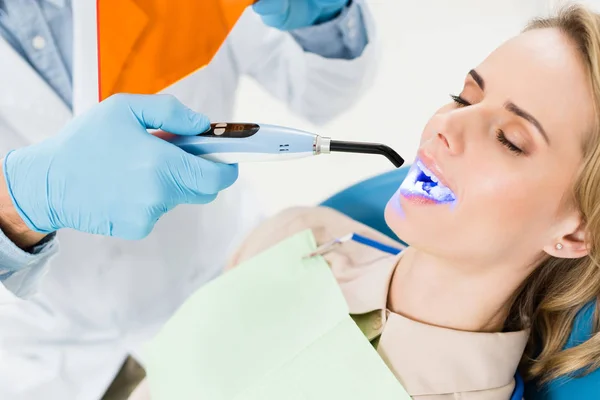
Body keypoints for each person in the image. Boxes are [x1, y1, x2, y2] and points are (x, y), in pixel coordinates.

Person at [129, 3, 600, 399]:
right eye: (464, 97)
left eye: (509, 139)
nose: (446, 126)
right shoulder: (299, 235)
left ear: (576, 232)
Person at [0, 0, 378, 399]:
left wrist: (325, 17)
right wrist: (18, 203)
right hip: (53, 358)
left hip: (226, 283)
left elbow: (321, 91)